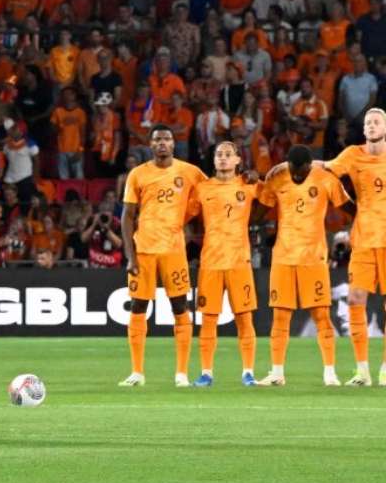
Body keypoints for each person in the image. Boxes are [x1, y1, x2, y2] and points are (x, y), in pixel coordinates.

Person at [254, 144, 348, 387]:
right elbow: (260, 212)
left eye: (301, 171)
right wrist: (256, 183)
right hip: (283, 257)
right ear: (288, 165)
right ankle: (276, 373)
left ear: (310, 165)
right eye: (293, 171)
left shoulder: (326, 179)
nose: (297, 176)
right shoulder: (277, 176)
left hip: (313, 258)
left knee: (321, 315)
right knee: (280, 316)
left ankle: (330, 372)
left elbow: (349, 208)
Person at [119, 123, 203, 388]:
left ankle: (181, 374)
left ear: (173, 143)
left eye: (167, 138)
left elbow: (212, 192)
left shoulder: (189, 172)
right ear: (150, 144)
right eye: (157, 140)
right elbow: (127, 216)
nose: (162, 143)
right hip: (143, 250)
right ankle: (137, 372)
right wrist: (130, 255)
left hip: (174, 250)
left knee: (180, 308)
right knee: (138, 307)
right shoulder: (138, 174)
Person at [319, 107, 386, 386]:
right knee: (357, 299)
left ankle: (385, 369)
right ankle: (362, 371)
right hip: (363, 240)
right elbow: (327, 168)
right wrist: (292, 164)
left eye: (377, 121)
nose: (371, 125)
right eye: (368, 122)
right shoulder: (353, 154)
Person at [190, 139, 261, 388]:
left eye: (228, 154)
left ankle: (248, 373)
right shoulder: (202, 188)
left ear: (238, 160)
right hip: (210, 262)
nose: (222, 158)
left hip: (239, 261)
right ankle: (206, 372)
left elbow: (270, 203)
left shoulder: (249, 186)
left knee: (244, 318)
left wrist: (258, 176)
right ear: (214, 159)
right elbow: (187, 216)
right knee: (208, 319)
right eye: (219, 154)